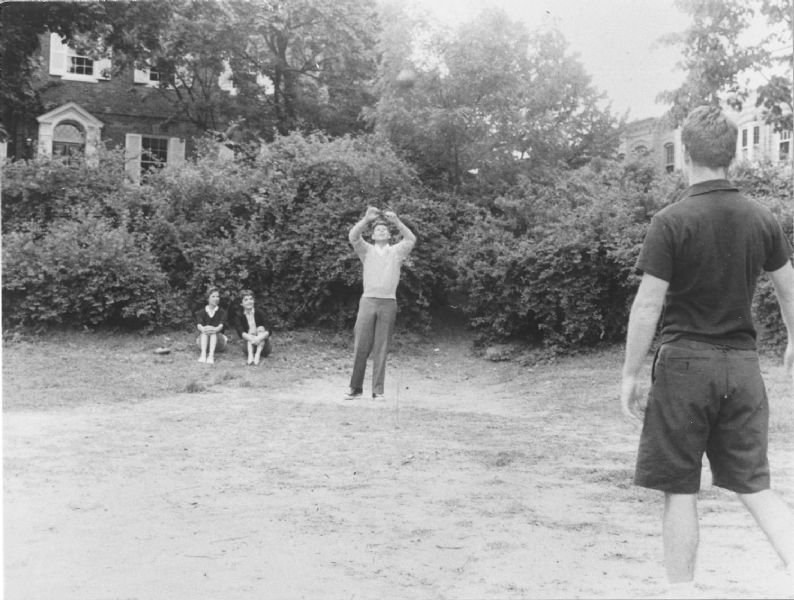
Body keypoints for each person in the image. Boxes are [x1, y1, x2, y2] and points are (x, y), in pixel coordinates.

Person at [619, 105, 794, 597]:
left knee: (679, 487)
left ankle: (681, 592)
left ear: (688, 153)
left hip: (686, 365)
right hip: (742, 367)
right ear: (732, 155)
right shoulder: (763, 217)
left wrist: (630, 374)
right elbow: (788, 289)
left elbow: (648, 304)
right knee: (753, 484)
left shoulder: (670, 220)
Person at [345, 206, 416, 401]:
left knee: (382, 347)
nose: (381, 231)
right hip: (368, 301)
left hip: (388, 303)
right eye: (377, 230)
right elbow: (353, 236)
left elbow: (411, 239)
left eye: (385, 229)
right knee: (361, 345)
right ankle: (355, 388)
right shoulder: (366, 250)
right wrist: (366, 220)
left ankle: (378, 391)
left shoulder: (396, 252)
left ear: (389, 234)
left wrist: (397, 222)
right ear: (373, 235)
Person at [233, 289, 272, 366]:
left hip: (263, 345)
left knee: (260, 328)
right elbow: (240, 331)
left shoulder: (260, 312)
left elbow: (269, 328)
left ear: (254, 301)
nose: (249, 301)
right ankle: (250, 356)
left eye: (251, 299)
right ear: (241, 303)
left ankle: (257, 355)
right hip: (249, 343)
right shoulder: (239, 316)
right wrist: (251, 338)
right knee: (250, 331)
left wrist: (259, 338)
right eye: (246, 300)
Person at [195, 287, 228, 364]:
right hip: (203, 343)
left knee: (213, 332)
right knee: (205, 331)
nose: (216, 299)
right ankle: (203, 355)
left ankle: (211, 356)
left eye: (217, 296)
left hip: (218, 343)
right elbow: (199, 325)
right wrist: (204, 329)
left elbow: (221, 326)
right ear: (208, 299)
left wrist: (214, 329)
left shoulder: (222, 312)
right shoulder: (201, 312)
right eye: (213, 296)